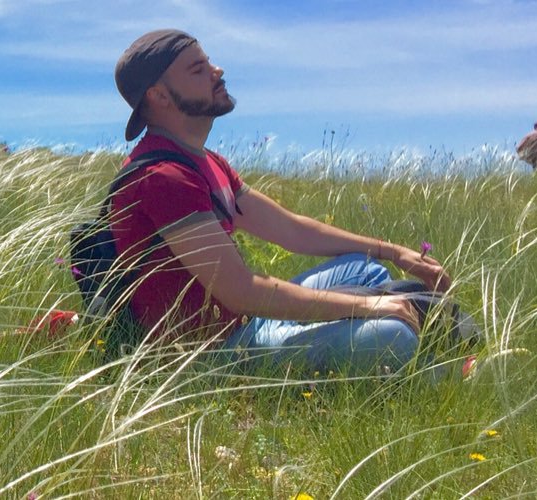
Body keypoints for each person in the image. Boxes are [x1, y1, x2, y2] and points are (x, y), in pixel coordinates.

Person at [108, 29, 455, 375]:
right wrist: (367, 306)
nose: (218, 71)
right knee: (391, 335)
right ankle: (441, 370)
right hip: (213, 352)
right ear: (159, 96)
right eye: (198, 70)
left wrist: (392, 251)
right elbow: (242, 292)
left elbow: (292, 230)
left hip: (246, 322)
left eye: (209, 62)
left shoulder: (204, 162)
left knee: (361, 266)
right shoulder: (162, 176)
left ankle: (409, 327)